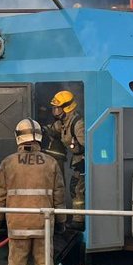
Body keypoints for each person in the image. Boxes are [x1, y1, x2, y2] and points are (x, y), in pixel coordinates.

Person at [0, 119, 64, 265]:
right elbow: (59, 196)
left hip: (17, 227)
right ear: (39, 137)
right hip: (44, 227)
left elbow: (0, 194)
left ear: (18, 137)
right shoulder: (51, 163)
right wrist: (61, 221)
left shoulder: (8, 162)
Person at [45, 90, 85, 231]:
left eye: (58, 108)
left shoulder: (77, 124)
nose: (55, 111)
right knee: (75, 189)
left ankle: (79, 221)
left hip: (83, 160)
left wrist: (84, 162)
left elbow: (89, 145)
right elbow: (51, 130)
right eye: (54, 108)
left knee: (76, 189)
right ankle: (78, 219)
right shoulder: (63, 122)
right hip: (76, 160)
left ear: (67, 107)